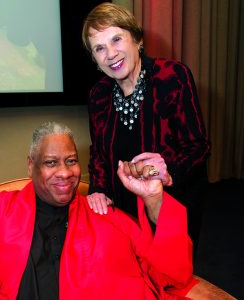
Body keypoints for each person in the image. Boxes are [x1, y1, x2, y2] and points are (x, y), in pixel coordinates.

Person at [0, 121, 198, 299]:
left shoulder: (103, 214)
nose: (65, 173)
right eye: (51, 163)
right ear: (31, 166)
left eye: (72, 161)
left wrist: (153, 196)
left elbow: (171, 273)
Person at [82, 2, 211, 258]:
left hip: (172, 202)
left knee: (169, 277)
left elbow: (199, 147)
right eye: (99, 48)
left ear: (137, 39)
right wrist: (98, 189)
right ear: (95, 59)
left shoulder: (173, 77)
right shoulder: (97, 95)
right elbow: (98, 154)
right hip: (122, 211)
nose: (110, 54)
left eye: (116, 39)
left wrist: (169, 170)